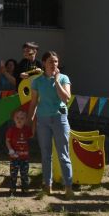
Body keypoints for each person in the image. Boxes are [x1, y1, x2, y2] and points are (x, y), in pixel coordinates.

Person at [28, 51, 73, 199]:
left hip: (60, 118)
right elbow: (33, 103)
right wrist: (30, 121)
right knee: (46, 154)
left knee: (63, 154)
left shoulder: (64, 78)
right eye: (51, 62)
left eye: (56, 61)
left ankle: (68, 187)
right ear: (44, 63)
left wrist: (57, 80)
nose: (54, 64)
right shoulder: (37, 81)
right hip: (43, 121)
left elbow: (65, 98)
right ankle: (48, 186)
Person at [5, 109, 34, 196]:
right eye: (17, 118)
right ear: (14, 119)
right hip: (14, 158)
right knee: (13, 175)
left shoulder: (27, 130)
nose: (19, 120)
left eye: (22, 118)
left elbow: (32, 135)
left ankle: (25, 189)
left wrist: (34, 122)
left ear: (25, 120)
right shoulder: (11, 130)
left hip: (24, 158)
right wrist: (10, 150)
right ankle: (12, 190)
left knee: (24, 174)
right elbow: (7, 141)